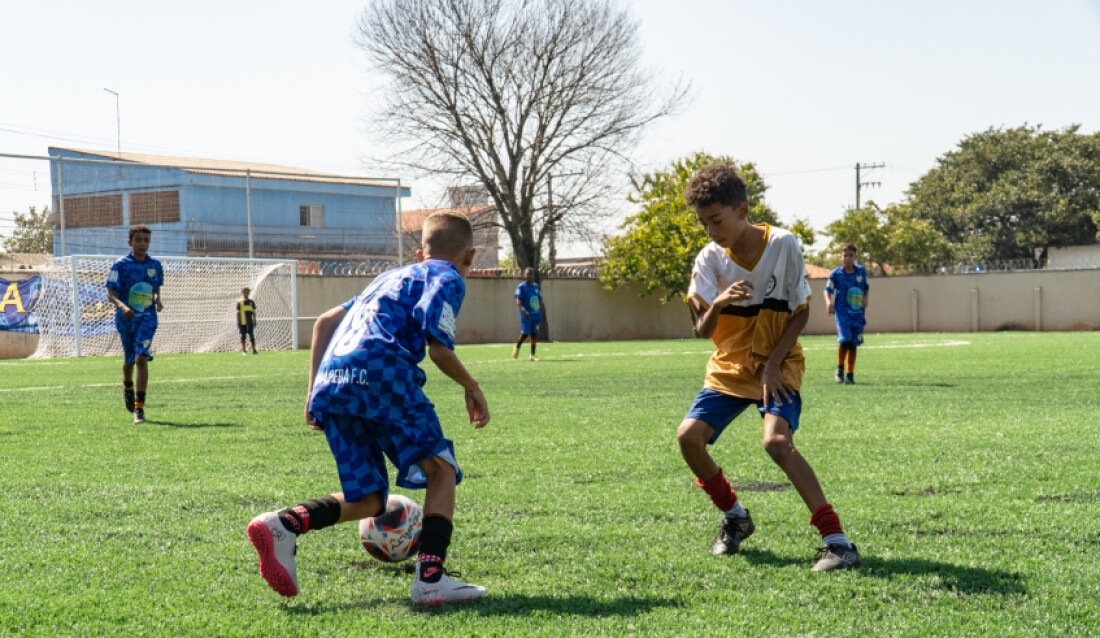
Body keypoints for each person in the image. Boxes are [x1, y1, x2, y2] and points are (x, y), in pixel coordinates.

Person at [247, 211, 491, 604]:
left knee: (369, 498)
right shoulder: (447, 278)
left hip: (334, 380)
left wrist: (313, 391)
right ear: (470, 256)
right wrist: (473, 387)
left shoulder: (388, 277)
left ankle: (282, 525)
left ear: (419, 252)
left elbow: (325, 322)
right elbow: (439, 348)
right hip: (382, 373)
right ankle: (430, 579)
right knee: (441, 470)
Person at [675, 163, 861, 572]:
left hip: (777, 359)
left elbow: (799, 313)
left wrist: (774, 365)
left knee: (776, 443)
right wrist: (720, 302)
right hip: (730, 364)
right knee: (689, 437)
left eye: (717, 220)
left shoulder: (783, 245)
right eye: (704, 223)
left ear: (742, 210)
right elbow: (701, 331)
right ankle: (735, 517)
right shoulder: (709, 259)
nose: (711, 230)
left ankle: (838, 542)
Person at [105, 224, 164, 425]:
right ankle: (127, 386)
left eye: (146, 240)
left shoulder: (155, 265)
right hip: (126, 317)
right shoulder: (120, 265)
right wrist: (122, 307)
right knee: (129, 360)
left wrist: (158, 299)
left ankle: (139, 409)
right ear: (130, 242)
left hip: (147, 318)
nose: (142, 244)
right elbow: (110, 293)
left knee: (141, 358)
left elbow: (156, 286)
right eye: (138, 240)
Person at [824, 244, 869, 384]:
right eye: (845, 255)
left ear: (855, 257)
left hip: (857, 312)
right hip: (842, 312)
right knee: (845, 340)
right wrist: (828, 302)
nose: (848, 258)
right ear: (840, 257)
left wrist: (866, 298)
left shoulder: (861, 272)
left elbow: (866, 288)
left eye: (851, 255)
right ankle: (839, 368)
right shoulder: (836, 274)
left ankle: (850, 374)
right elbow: (827, 290)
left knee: (853, 343)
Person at [511, 267, 544, 361]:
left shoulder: (536, 286)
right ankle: (517, 347)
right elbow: (518, 299)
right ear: (524, 275)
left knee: (534, 333)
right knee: (525, 333)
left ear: (533, 276)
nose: (529, 276)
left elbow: (539, 300)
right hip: (526, 314)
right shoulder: (521, 287)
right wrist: (523, 310)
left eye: (531, 274)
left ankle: (532, 355)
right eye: (527, 274)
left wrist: (540, 311)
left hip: (535, 314)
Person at [236, 287, 259, 355]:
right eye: (244, 291)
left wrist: (254, 320)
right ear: (242, 292)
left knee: (251, 335)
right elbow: (238, 312)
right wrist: (238, 321)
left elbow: (254, 312)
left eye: (247, 291)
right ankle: (244, 350)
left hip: (250, 322)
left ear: (249, 292)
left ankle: (254, 350)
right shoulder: (240, 302)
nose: (246, 293)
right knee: (243, 336)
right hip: (243, 322)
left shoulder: (251, 302)